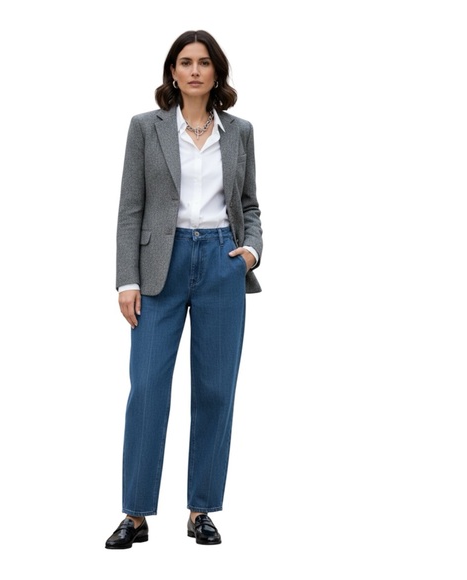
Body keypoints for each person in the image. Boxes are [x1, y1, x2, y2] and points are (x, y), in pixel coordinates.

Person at [105, 30, 263, 549]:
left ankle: (201, 510)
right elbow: (130, 209)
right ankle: (135, 514)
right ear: (172, 72)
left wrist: (250, 251)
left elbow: (249, 205)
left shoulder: (239, 132)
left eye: (204, 62)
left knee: (216, 390)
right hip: (159, 267)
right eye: (185, 61)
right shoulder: (145, 128)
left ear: (217, 72)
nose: (195, 70)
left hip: (221, 262)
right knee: (148, 388)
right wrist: (127, 279)